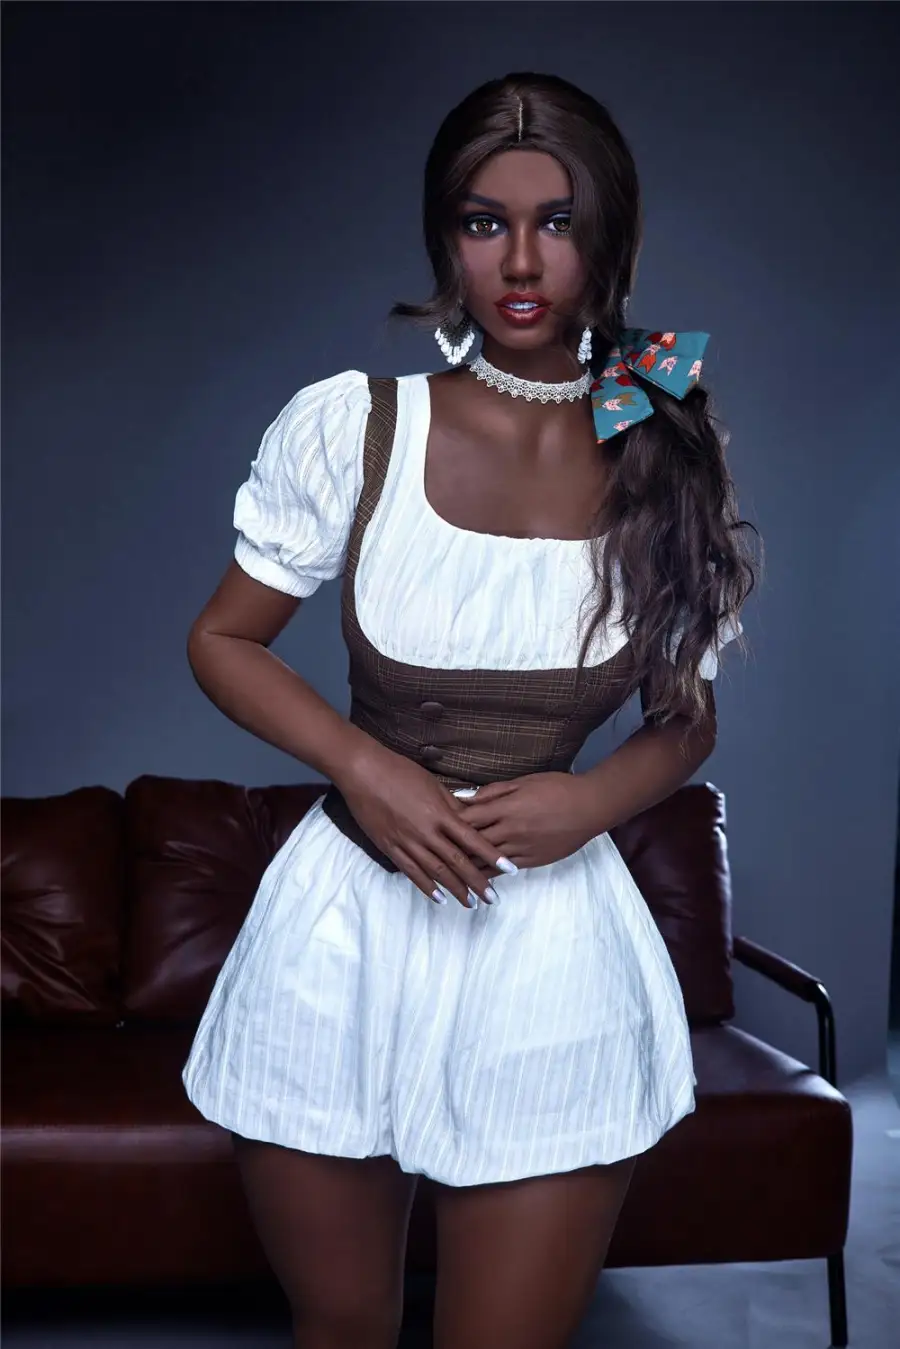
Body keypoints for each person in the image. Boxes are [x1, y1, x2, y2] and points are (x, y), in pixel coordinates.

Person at [182, 71, 756, 1349]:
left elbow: (686, 718)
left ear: (612, 236)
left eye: (559, 221)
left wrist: (591, 799)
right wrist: (363, 765)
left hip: (550, 946)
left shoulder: (664, 443)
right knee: (342, 1327)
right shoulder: (359, 425)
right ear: (445, 235)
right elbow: (221, 639)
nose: (522, 261)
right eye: (484, 221)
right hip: (341, 935)